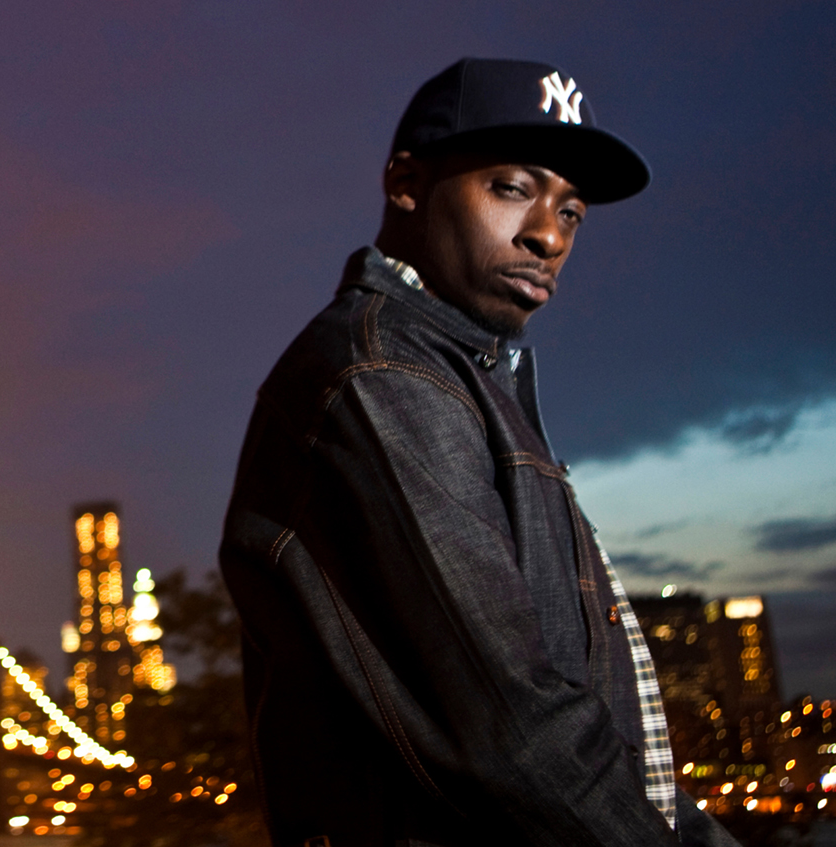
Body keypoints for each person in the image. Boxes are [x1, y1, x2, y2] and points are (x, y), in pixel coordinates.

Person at [218, 59, 737, 846]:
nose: (549, 235)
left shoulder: (467, 377)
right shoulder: (379, 377)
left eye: (573, 211)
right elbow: (514, 727)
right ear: (406, 182)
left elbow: (576, 731)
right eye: (511, 188)